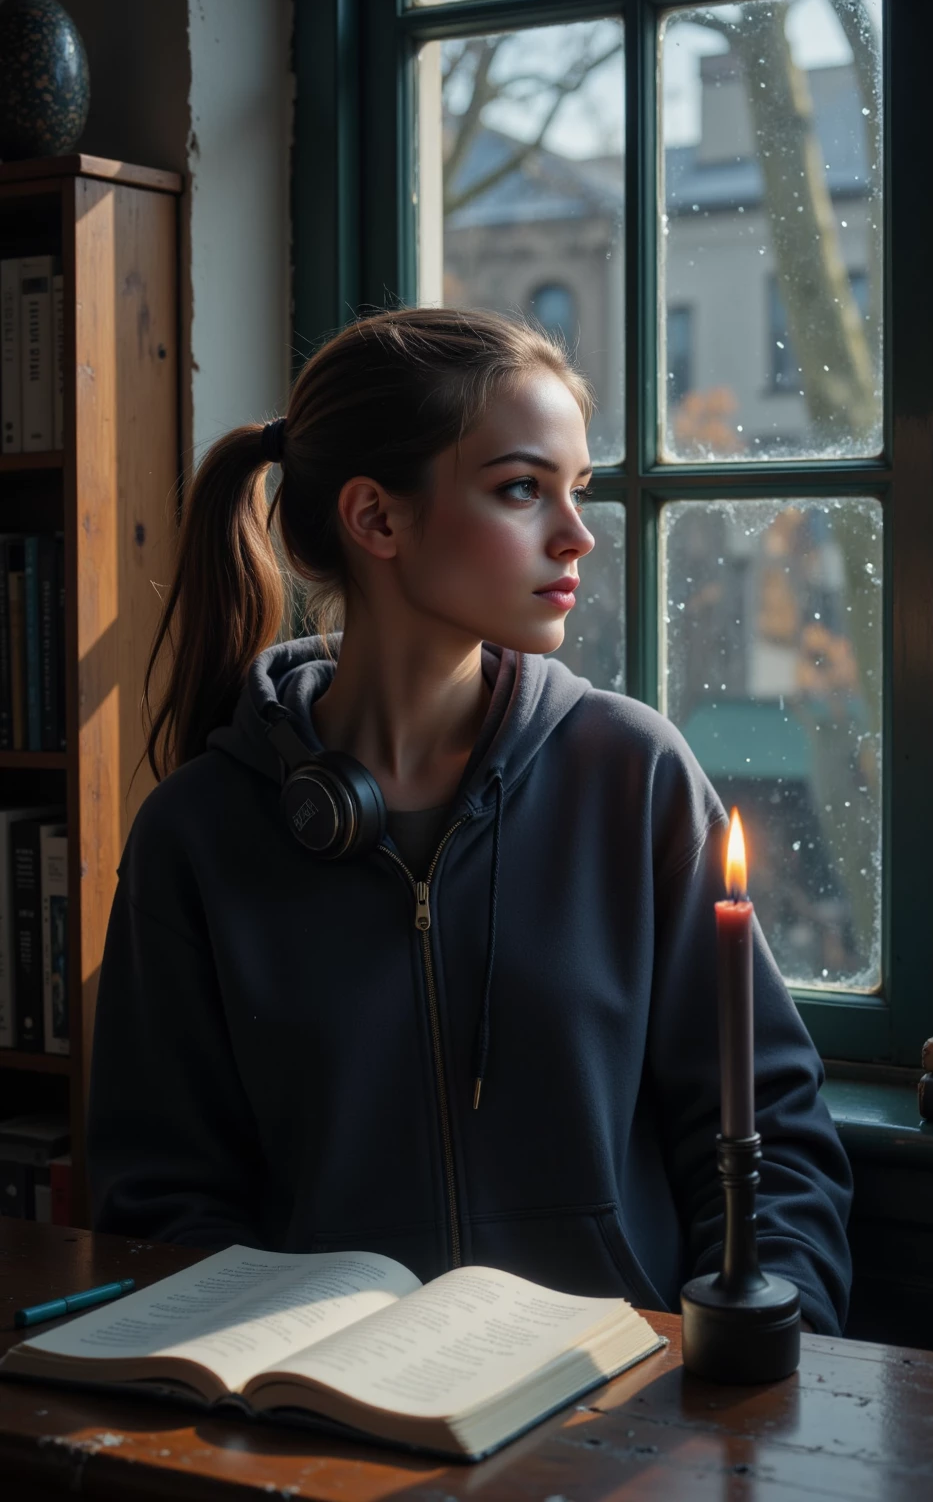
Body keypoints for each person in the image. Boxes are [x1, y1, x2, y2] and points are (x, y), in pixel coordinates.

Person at [87, 306, 853, 1337]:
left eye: (576, 491)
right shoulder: (199, 833)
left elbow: (772, 1137)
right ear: (377, 520)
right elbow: (160, 1200)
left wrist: (765, 1356)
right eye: (521, 490)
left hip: (628, 1426)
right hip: (313, 1434)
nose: (578, 533)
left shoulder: (633, 779)